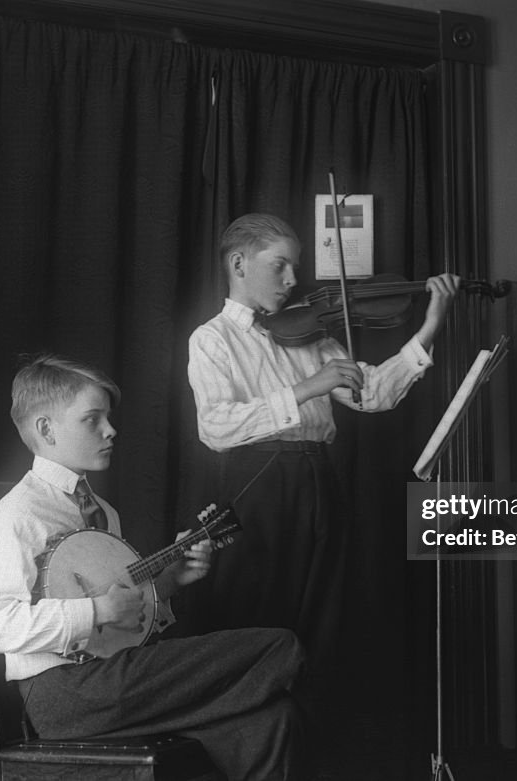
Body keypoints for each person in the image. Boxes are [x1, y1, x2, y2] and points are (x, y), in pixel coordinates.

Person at [0, 354, 306, 781]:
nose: (110, 430)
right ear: (46, 429)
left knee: (272, 721)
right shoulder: (18, 515)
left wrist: (168, 582)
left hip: (114, 678)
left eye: (107, 419)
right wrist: (95, 612)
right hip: (65, 695)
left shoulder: (103, 513)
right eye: (92, 419)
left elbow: (120, 626)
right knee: (281, 647)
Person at [186, 213, 460, 667]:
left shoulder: (309, 334)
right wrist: (308, 387)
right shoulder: (212, 339)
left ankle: (308, 724)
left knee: (323, 618)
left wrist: (431, 324)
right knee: (259, 614)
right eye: (280, 266)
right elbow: (216, 427)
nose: (293, 280)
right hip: (258, 486)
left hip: (319, 478)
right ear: (238, 264)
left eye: (295, 266)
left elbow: (371, 395)